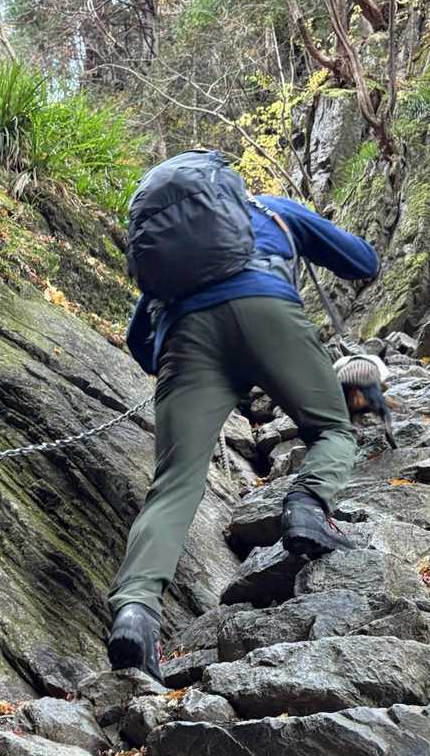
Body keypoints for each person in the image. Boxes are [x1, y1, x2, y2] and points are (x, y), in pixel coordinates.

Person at [107, 151, 380, 681]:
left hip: (186, 338)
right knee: (331, 429)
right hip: (268, 308)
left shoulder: (174, 264)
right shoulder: (272, 210)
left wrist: (187, 368)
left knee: (174, 484)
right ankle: (307, 506)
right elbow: (362, 261)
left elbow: (138, 341)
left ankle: (136, 611)